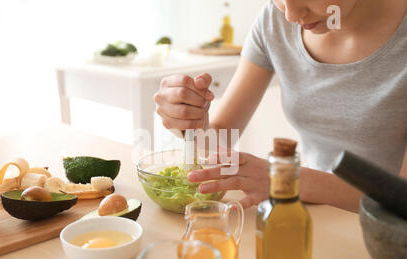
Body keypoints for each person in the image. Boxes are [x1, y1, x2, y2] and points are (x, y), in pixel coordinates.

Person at [153, 0, 407, 212]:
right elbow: (218, 139)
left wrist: (287, 178)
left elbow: (402, 199)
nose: (290, 13)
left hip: (388, 237)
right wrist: (191, 123)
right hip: (313, 214)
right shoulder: (275, 21)